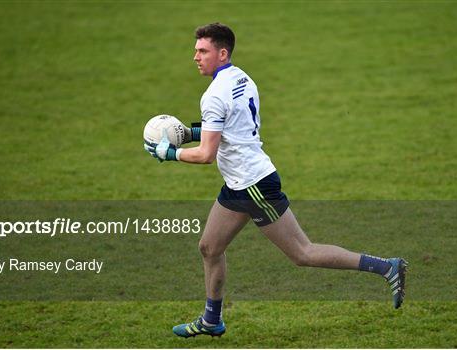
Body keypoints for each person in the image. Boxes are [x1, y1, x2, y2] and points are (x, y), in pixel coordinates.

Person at [144, 23, 407, 338]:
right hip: (239, 183)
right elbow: (231, 128)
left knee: (302, 253)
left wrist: (169, 153)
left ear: (222, 52)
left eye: (203, 51)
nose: (195, 57)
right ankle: (212, 320)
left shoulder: (213, 94)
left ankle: (387, 267)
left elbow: (206, 155)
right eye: (196, 50)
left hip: (254, 186)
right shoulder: (242, 79)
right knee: (209, 247)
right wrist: (188, 132)